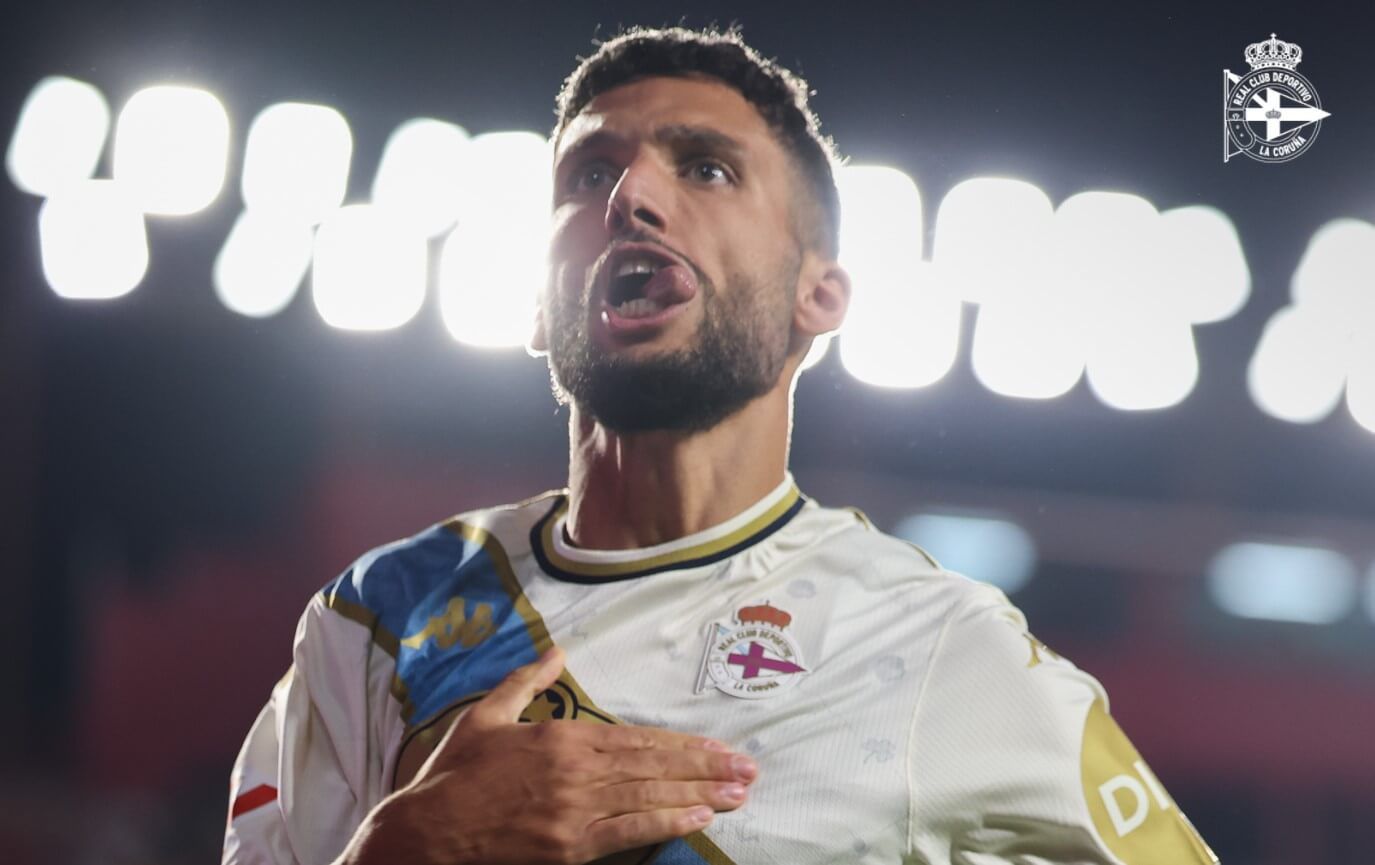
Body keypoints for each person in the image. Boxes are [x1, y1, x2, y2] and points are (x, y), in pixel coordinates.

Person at [224, 25, 1219, 865]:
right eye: (592, 174)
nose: (632, 198)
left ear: (816, 294)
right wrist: (403, 849)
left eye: (705, 167)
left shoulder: (938, 640)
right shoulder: (378, 618)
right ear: (537, 303)